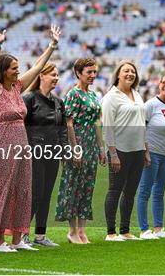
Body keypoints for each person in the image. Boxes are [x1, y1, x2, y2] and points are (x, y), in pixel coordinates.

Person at [0, 22, 60, 252]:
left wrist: (52, 45)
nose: (17, 70)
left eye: (17, 67)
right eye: (13, 68)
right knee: (2, 188)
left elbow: (37, 67)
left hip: (22, 145)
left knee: (22, 189)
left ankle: (17, 239)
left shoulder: (16, 88)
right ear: (4, 71)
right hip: (2, 144)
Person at [55, 58, 106, 244]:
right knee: (73, 186)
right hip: (78, 142)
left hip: (92, 144)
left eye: (94, 72)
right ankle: (72, 231)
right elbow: (68, 123)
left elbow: (96, 123)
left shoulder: (93, 96)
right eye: (89, 72)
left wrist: (101, 148)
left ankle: (83, 231)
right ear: (78, 73)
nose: (93, 75)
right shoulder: (73, 95)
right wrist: (74, 149)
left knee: (87, 186)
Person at [22, 62, 67, 247]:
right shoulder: (30, 99)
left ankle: (40, 235)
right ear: (41, 75)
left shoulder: (58, 102)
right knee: (35, 193)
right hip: (34, 152)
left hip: (53, 152)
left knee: (46, 194)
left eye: (57, 75)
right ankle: (22, 234)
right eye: (52, 75)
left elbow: (62, 130)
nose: (56, 78)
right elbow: (21, 127)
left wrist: (64, 150)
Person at [102, 60, 147, 241]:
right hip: (119, 150)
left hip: (137, 150)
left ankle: (125, 230)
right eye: (126, 71)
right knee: (115, 190)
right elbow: (107, 128)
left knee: (130, 192)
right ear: (118, 74)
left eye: (133, 71)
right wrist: (113, 153)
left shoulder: (136, 94)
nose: (130, 74)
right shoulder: (111, 97)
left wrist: (145, 149)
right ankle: (111, 232)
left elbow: (142, 123)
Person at [136, 72, 165, 240]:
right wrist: (145, 151)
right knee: (145, 191)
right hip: (151, 153)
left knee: (159, 192)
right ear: (159, 84)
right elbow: (140, 128)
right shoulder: (151, 105)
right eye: (164, 83)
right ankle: (143, 229)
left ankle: (159, 228)